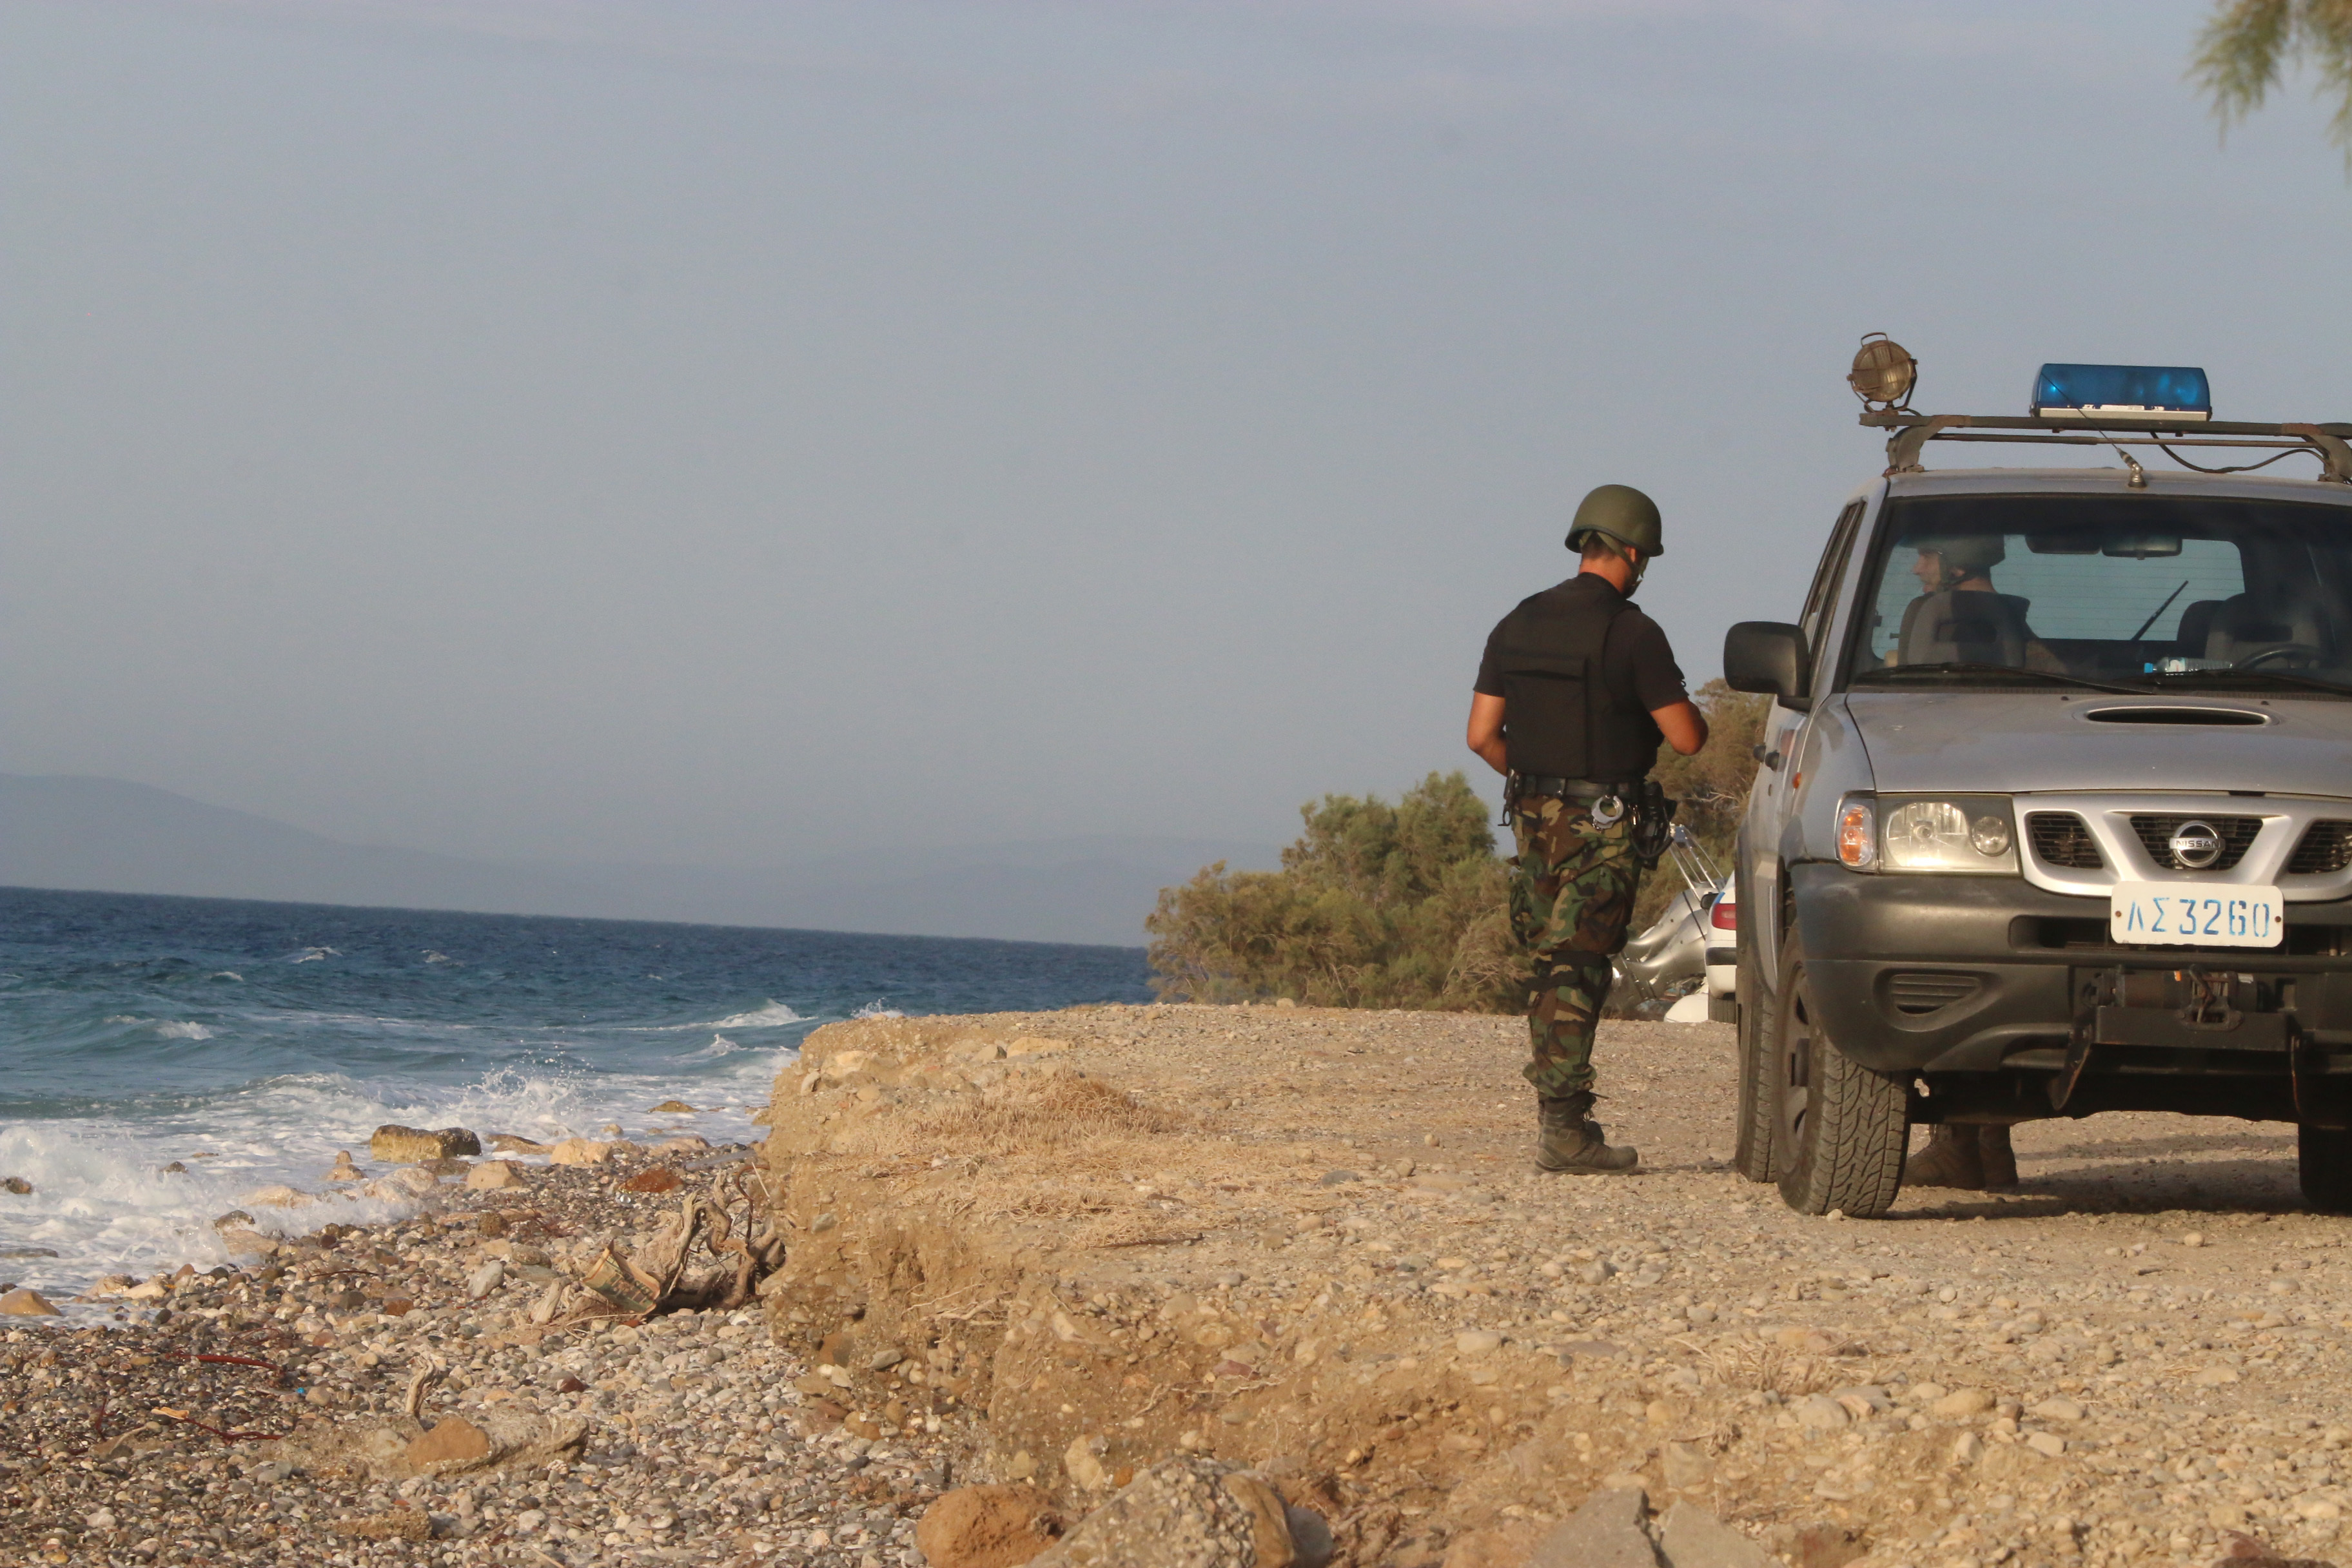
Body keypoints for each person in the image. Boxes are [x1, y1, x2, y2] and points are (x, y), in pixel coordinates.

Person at [1465, 484, 1709, 1174]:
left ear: (1584, 545)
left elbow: (1482, 735)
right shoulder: (1634, 632)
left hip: (1532, 816)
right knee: (1578, 962)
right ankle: (1566, 1130)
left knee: (1554, 960)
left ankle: (1561, 1120)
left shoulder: (1516, 623)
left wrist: (1541, 787)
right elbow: (1687, 739)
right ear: (1632, 552)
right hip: (1606, 822)